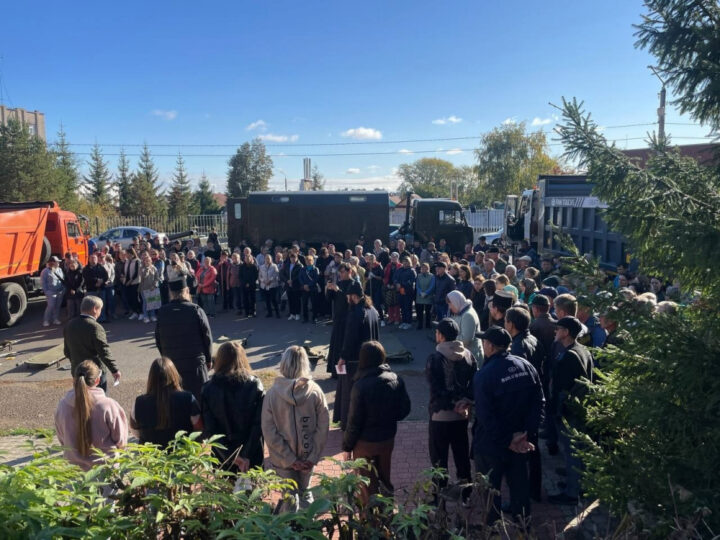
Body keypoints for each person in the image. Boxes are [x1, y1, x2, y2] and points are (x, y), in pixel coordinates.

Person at [467, 327, 544, 522]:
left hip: (491, 444)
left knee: (490, 492)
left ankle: (492, 529)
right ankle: (522, 528)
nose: (483, 345)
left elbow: (485, 416)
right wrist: (527, 433)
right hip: (519, 441)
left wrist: (507, 439)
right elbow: (539, 403)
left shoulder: (484, 375)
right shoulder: (526, 366)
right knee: (519, 488)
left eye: (484, 342)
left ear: (491, 346)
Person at [262, 346, 330, 512]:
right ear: (305, 364)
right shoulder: (315, 391)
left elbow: (269, 431)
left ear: (284, 364)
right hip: (308, 455)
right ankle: (308, 524)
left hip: (282, 459)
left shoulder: (272, 394)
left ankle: (289, 526)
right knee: (306, 492)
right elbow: (323, 427)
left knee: (289, 497)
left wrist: (290, 459)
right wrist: (312, 456)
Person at [342, 341, 411, 505]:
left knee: (367, 486)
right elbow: (405, 409)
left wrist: (347, 446)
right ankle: (387, 514)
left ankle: (370, 518)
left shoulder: (360, 386)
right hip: (387, 439)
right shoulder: (396, 379)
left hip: (365, 443)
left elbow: (354, 421)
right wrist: (389, 417)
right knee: (385, 480)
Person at [425, 319, 477, 493]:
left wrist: (451, 403)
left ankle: (439, 498)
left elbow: (436, 389)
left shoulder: (435, 358)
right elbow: (475, 383)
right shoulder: (468, 355)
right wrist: (465, 401)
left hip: (440, 416)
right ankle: (466, 494)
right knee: (462, 456)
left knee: (439, 461)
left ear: (441, 335)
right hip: (461, 414)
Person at [547, 317, 594, 505]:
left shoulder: (569, 356)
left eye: (558, 328)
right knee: (578, 450)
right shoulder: (583, 350)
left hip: (569, 411)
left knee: (572, 450)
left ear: (566, 332)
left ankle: (573, 493)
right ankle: (578, 483)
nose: (555, 331)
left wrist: (556, 409)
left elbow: (561, 387)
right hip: (580, 408)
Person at [201, 341, 265, 472]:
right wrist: (245, 455)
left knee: (224, 485)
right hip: (252, 455)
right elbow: (259, 425)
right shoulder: (255, 385)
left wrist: (231, 456)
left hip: (222, 456)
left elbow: (210, 429)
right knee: (253, 484)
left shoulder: (208, 389)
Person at [55, 360, 128, 471]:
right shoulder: (108, 405)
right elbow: (121, 441)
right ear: (97, 380)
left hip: (73, 470)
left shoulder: (62, 405)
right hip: (105, 468)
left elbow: (62, 438)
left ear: (74, 379)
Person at [505, 306, 546, 502]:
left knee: (522, 454)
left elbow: (518, 380)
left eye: (506, 321)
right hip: (534, 400)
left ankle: (523, 497)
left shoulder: (517, 347)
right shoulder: (532, 339)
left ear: (511, 324)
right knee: (533, 450)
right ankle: (534, 490)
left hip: (523, 405)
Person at [155, 278, 213, 401]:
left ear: (171, 293)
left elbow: (158, 339)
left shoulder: (162, 312)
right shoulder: (196, 310)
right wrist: (208, 359)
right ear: (187, 291)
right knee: (199, 399)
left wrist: (165, 357)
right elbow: (207, 337)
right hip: (195, 364)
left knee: (176, 399)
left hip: (172, 363)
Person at [335, 281, 380, 429]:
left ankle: (349, 423)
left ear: (353, 296)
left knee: (351, 393)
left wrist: (343, 357)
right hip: (372, 360)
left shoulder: (356, 313)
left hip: (356, 360)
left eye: (348, 296)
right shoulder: (373, 310)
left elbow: (350, 338)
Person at [130, 357, 202, 448]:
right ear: (174, 375)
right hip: (182, 451)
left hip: (151, 453)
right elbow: (199, 428)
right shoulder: (188, 398)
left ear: (151, 378)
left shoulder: (139, 402)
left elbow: (135, 430)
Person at [63, 295, 121, 392]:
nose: (100, 312)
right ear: (95, 309)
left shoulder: (69, 324)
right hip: (94, 372)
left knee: (81, 397)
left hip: (77, 370)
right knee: (98, 398)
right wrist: (114, 369)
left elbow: (66, 351)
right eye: (100, 309)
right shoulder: (95, 327)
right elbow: (104, 351)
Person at [326, 263, 353, 376]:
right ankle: (336, 372)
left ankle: (345, 374)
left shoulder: (354, 284)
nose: (340, 274)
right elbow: (329, 299)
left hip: (348, 319)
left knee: (344, 347)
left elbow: (349, 300)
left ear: (349, 272)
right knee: (336, 346)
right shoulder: (339, 283)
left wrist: (338, 291)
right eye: (339, 272)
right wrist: (329, 289)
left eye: (342, 272)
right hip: (338, 318)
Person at [447, 290, 482, 362]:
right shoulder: (461, 311)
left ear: (456, 302)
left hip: (472, 357)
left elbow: (466, 340)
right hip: (465, 355)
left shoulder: (468, 315)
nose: (449, 307)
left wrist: (449, 337)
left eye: (450, 304)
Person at [41, 256, 65, 326]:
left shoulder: (59, 269)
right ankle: (46, 320)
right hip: (51, 292)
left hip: (60, 291)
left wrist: (63, 289)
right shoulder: (45, 271)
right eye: (57, 262)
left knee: (57, 306)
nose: (58, 263)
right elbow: (43, 283)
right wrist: (46, 292)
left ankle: (55, 319)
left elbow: (63, 279)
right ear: (52, 263)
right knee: (50, 306)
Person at [394, 256, 417, 330]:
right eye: (404, 261)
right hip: (400, 291)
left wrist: (401, 284)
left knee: (408, 307)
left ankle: (408, 322)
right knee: (402, 307)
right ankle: (404, 321)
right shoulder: (399, 270)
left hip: (408, 292)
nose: (405, 263)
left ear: (409, 262)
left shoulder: (412, 271)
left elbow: (411, 281)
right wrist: (396, 283)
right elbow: (394, 278)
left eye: (407, 261)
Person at [299, 254, 321, 323]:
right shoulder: (303, 269)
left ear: (312, 261)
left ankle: (315, 318)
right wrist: (304, 285)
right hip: (304, 288)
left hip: (313, 288)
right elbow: (300, 278)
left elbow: (316, 279)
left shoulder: (315, 269)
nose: (308, 262)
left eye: (309, 260)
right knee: (304, 304)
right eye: (306, 260)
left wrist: (308, 285)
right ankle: (305, 318)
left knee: (314, 303)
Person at [139, 254, 160, 323]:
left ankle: (152, 315)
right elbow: (141, 278)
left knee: (152, 302)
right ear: (144, 261)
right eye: (146, 261)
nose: (147, 262)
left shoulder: (154, 268)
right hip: (144, 289)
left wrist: (154, 285)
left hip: (152, 288)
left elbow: (157, 278)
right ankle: (145, 316)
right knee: (145, 303)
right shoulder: (141, 268)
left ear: (151, 261)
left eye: (148, 260)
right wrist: (146, 271)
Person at [259, 253, 280, 318]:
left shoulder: (274, 266)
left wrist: (270, 280)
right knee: (267, 300)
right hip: (264, 286)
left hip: (272, 285)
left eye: (269, 258)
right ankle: (269, 313)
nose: (267, 260)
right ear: (264, 259)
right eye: (266, 258)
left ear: (271, 259)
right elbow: (260, 276)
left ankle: (277, 313)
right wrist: (263, 281)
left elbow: (276, 274)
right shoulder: (261, 267)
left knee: (274, 300)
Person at [383, 252, 402, 325]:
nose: (393, 258)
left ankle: (397, 318)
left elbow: (400, 277)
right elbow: (385, 276)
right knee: (389, 303)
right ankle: (391, 318)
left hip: (396, 287)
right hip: (389, 286)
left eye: (395, 257)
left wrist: (395, 285)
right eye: (392, 257)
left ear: (397, 258)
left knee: (396, 304)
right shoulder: (388, 265)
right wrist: (387, 284)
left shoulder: (400, 266)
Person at [123, 248, 143, 320]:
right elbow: (125, 271)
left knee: (136, 298)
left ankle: (140, 312)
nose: (126, 255)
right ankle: (135, 312)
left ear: (131, 254)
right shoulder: (127, 261)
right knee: (129, 298)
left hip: (135, 283)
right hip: (127, 283)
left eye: (127, 253)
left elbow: (136, 273)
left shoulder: (137, 261)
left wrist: (130, 281)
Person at [415, 262, 435, 330]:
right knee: (419, 311)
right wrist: (420, 292)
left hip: (428, 296)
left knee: (428, 312)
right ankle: (420, 324)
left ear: (428, 268)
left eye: (425, 268)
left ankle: (428, 324)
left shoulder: (432, 276)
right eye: (422, 268)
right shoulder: (419, 276)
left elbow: (432, 286)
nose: (423, 269)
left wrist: (426, 293)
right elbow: (417, 285)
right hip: (420, 296)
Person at [284, 252, 303, 321]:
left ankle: (297, 314)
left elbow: (299, 275)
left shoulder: (300, 265)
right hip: (288, 285)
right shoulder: (287, 265)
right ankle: (292, 314)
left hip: (296, 285)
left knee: (297, 300)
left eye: (294, 257)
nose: (293, 259)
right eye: (291, 258)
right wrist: (287, 280)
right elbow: (282, 274)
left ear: (297, 258)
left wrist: (292, 280)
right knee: (290, 300)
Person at [239, 253, 259, 318]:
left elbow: (256, 276)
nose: (247, 260)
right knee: (245, 299)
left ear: (251, 259)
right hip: (244, 286)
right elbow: (240, 276)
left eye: (248, 258)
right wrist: (245, 283)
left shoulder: (254, 266)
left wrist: (250, 283)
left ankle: (253, 311)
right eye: (246, 258)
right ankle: (246, 312)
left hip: (252, 285)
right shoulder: (242, 267)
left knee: (252, 299)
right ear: (244, 259)